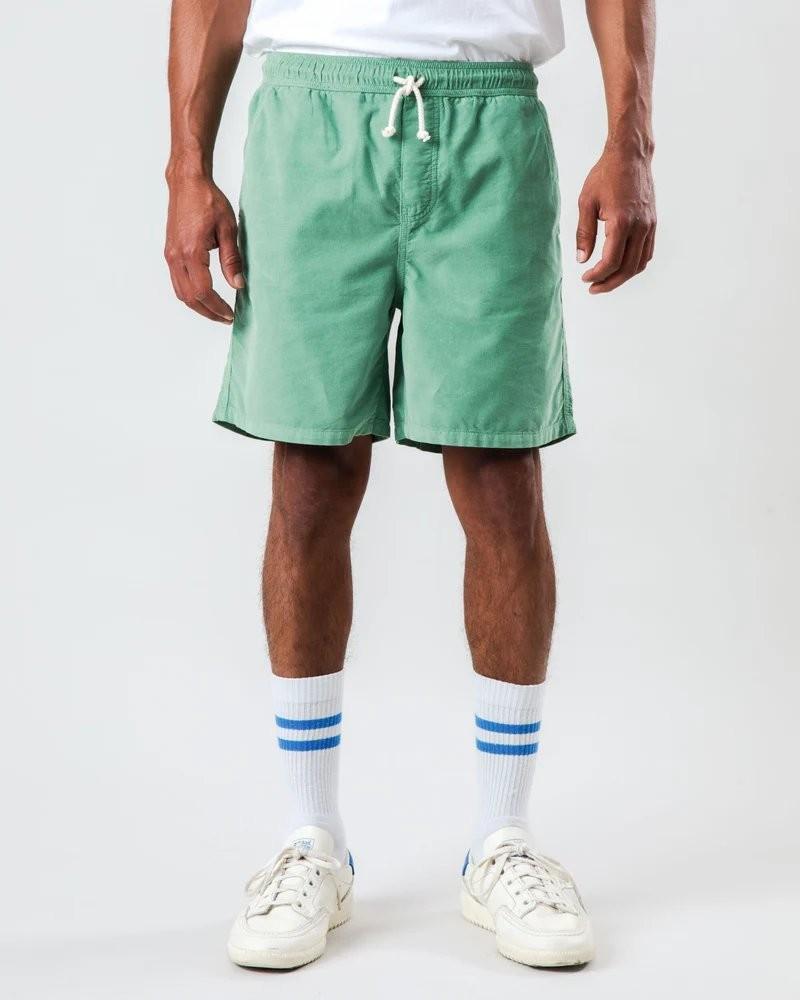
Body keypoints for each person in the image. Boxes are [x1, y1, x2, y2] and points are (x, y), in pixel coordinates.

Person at [165, 0, 656, 971]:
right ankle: (312, 839)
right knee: (309, 477)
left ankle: (500, 840)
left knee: (500, 474)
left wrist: (630, 140)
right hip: (310, 117)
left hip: (489, 117)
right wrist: (187, 169)